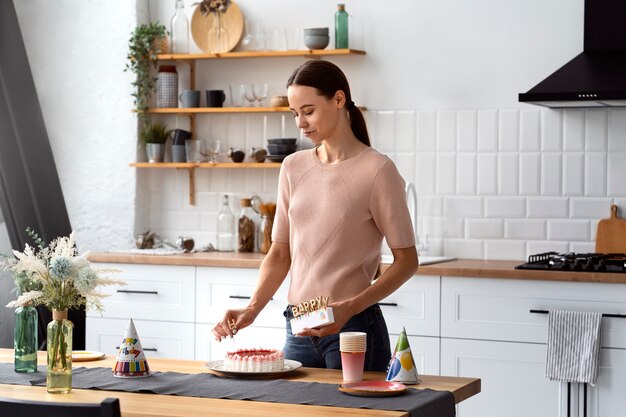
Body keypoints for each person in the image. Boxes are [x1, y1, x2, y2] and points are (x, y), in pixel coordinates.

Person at [212, 60, 418, 371]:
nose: (300, 123)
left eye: (308, 111)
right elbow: (280, 252)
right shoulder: (293, 167)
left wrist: (348, 309)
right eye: (295, 114)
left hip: (354, 330)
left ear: (338, 100)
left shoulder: (377, 170)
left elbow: (407, 260)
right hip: (298, 329)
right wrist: (251, 309)